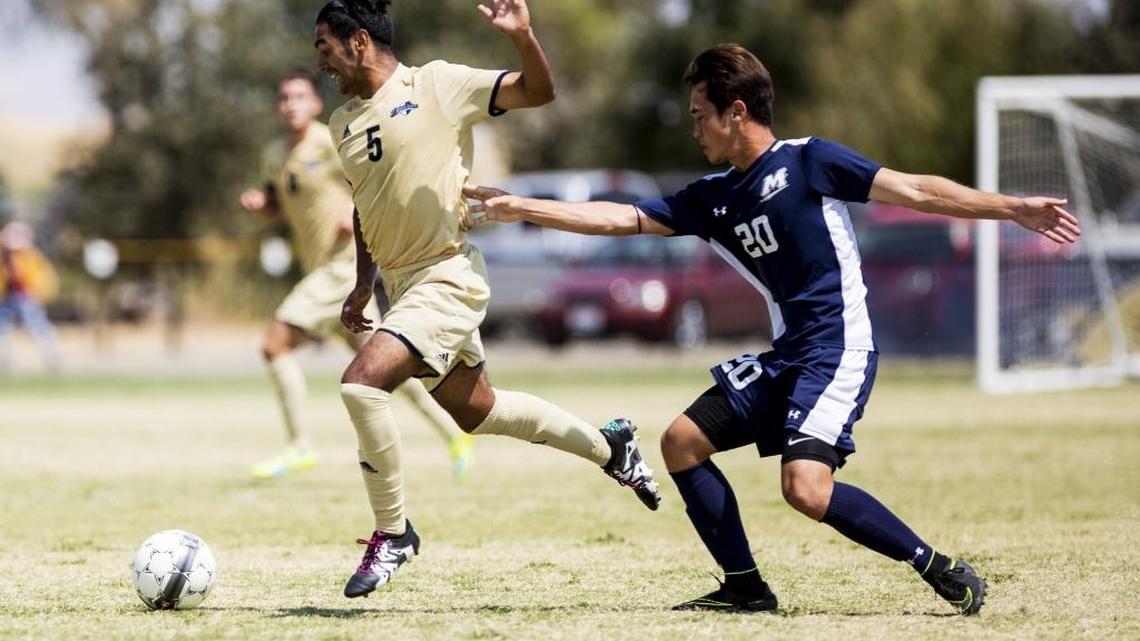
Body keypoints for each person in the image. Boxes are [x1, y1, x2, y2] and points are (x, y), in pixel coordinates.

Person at [465, 43, 1081, 615]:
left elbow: (917, 189)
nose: (694, 126)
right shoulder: (712, 198)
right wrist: (522, 208)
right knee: (681, 442)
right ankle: (745, 588)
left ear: (737, 112)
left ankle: (938, 566)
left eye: (700, 113)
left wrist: (1012, 208)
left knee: (805, 488)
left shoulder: (811, 161)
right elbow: (616, 219)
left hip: (838, 350)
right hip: (789, 355)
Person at [313, 0, 662, 599]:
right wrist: (362, 283)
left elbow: (539, 91)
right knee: (479, 413)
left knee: (360, 383)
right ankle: (612, 447)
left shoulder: (438, 85)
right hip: (401, 290)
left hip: (447, 276)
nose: (321, 63)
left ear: (360, 42)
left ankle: (392, 532)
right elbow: (365, 205)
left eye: (325, 48)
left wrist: (523, 36)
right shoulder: (340, 124)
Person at [240, 67, 475, 480]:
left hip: (343, 268)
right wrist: (264, 207)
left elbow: (370, 180)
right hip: (327, 275)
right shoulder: (274, 153)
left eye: (299, 97)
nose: (290, 105)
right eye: (284, 98)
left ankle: (298, 446)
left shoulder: (328, 142)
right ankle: (455, 434)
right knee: (387, 369)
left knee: (274, 345)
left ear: (314, 104)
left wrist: (360, 216)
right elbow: (281, 202)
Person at [0, 221, 62, 374]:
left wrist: (39, 293)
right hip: (7, 297)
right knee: (2, 329)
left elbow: (41, 278)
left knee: (38, 328)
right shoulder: (5, 258)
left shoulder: (30, 257)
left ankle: (51, 358)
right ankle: (4, 360)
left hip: (27, 298)